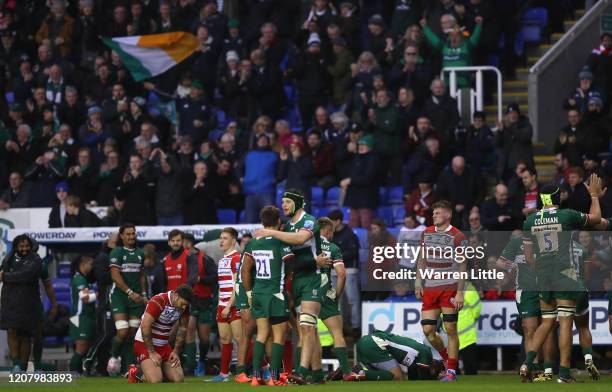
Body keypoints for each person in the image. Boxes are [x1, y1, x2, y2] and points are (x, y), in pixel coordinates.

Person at [521, 175, 603, 383]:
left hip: (543, 275)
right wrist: (594, 196)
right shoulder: (566, 216)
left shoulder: (530, 220)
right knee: (565, 322)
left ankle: (527, 363)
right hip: (564, 273)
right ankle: (564, 375)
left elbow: (528, 257)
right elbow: (595, 218)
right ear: (558, 199)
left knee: (547, 321)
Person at [253, 190, 330, 384]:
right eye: (282, 202)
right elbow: (291, 262)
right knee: (307, 329)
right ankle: (318, 374)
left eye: (287, 202)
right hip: (298, 280)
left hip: (315, 278)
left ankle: (301, 372)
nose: (284, 206)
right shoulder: (287, 226)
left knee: (306, 325)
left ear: (298, 203)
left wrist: (270, 231)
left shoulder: (309, 221)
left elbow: (300, 239)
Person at [241, 205, 294, 386]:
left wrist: (249, 292)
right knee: (280, 335)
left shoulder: (253, 242)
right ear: (278, 221)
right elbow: (290, 266)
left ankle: (255, 377)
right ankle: (274, 377)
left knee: (261, 334)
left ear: (263, 221)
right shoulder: (280, 241)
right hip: (275, 294)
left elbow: (245, 270)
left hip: (257, 294)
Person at [415, 200, 468, 382]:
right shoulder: (426, 233)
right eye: (433, 212)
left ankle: (451, 371)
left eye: (438, 212)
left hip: (450, 288)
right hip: (430, 287)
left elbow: (463, 265)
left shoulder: (458, 236)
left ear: (448, 215)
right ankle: (447, 359)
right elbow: (422, 258)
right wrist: (418, 281)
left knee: (450, 328)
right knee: (428, 330)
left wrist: (460, 292)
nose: (434, 215)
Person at [316, 217, 360, 381]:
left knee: (306, 335)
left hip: (307, 294)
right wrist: (337, 295)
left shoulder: (307, 245)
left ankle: (305, 372)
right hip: (326, 293)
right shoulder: (333, 248)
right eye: (332, 231)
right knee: (337, 334)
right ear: (327, 231)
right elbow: (342, 274)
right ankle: (347, 372)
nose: (333, 234)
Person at [107, 223, 148, 377]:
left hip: (136, 298)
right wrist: (130, 292)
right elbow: (115, 276)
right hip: (119, 297)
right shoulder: (116, 252)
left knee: (133, 332)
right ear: (122, 236)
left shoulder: (140, 253)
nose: (131, 236)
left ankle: (129, 367)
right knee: (123, 332)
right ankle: (113, 358)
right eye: (128, 234)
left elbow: (141, 275)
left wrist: (143, 294)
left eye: (133, 233)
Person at [130, 284, 193, 383]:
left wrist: (175, 351)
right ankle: (136, 373)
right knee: (156, 381)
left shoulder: (184, 307)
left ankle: (157, 370)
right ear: (176, 296)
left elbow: (183, 329)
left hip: (164, 345)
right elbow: (145, 326)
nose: (184, 307)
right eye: (183, 304)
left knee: (179, 379)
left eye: (186, 305)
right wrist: (152, 352)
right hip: (145, 344)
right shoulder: (159, 301)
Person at [0, 234, 43, 372]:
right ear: (16, 246)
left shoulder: (36, 260)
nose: (24, 248)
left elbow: (25, 275)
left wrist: (6, 276)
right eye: (21, 246)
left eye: (27, 246)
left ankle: (23, 367)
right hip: (9, 301)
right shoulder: (9, 257)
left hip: (28, 302)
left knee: (25, 334)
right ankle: (16, 364)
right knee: (11, 331)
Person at [160, 230, 199, 375]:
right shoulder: (165, 260)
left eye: (178, 240)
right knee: (168, 335)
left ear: (182, 241)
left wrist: (182, 296)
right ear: (169, 242)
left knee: (187, 332)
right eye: (173, 241)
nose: (176, 243)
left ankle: (190, 367)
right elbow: (162, 283)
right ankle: (168, 364)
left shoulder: (189, 257)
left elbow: (193, 277)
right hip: (170, 304)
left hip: (186, 302)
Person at [208, 228, 242, 382]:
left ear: (233, 241)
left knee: (241, 339)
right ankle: (224, 374)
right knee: (224, 339)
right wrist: (222, 305)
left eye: (225, 238)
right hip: (222, 305)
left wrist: (229, 306)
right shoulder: (222, 259)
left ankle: (264, 368)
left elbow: (237, 285)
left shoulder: (236, 258)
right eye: (220, 238)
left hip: (233, 305)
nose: (221, 241)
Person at [184, 234, 218, 377]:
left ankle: (202, 360)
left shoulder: (204, 258)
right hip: (190, 300)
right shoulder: (181, 258)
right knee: (189, 330)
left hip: (204, 301)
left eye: (185, 242)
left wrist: (201, 279)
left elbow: (215, 276)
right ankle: (190, 366)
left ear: (191, 244)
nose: (184, 246)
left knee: (204, 339)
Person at [353, 330, 439, 381]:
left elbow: (413, 381)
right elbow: (424, 379)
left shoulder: (417, 358)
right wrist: (434, 378)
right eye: (435, 372)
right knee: (398, 377)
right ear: (433, 365)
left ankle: (362, 371)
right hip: (375, 343)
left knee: (388, 375)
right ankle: (361, 373)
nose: (433, 373)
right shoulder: (426, 353)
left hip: (368, 341)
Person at [327, 209, 360, 335]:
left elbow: (353, 252)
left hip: (348, 270)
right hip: (334, 271)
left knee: (352, 299)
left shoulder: (350, 234)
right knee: (338, 300)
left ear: (338, 221)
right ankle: (342, 326)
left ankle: (356, 327)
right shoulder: (330, 235)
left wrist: (336, 258)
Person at [69, 256, 97, 373]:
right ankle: (74, 372)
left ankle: (81, 371)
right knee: (81, 346)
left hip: (86, 316)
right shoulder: (79, 279)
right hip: (81, 317)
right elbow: (85, 298)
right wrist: (99, 294)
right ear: (83, 264)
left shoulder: (83, 279)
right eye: (90, 264)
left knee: (86, 346)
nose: (92, 267)